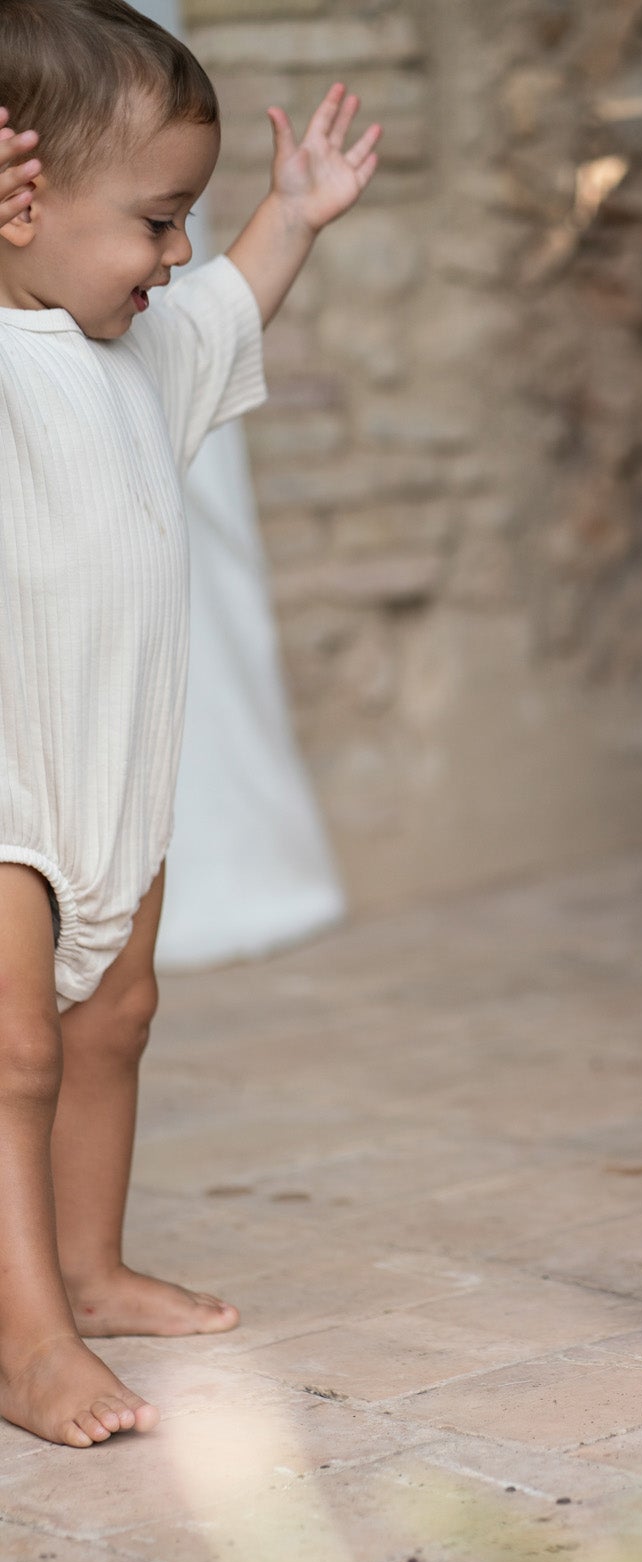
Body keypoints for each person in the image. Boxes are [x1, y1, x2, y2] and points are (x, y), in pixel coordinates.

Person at [0, 0, 379, 1448]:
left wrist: (291, 218)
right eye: (156, 222)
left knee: (117, 1021)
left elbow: (228, 306)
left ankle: (86, 1269)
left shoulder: (136, 352)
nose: (175, 257)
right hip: (11, 785)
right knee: (15, 1053)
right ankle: (25, 1338)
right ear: (21, 207)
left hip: (116, 770)